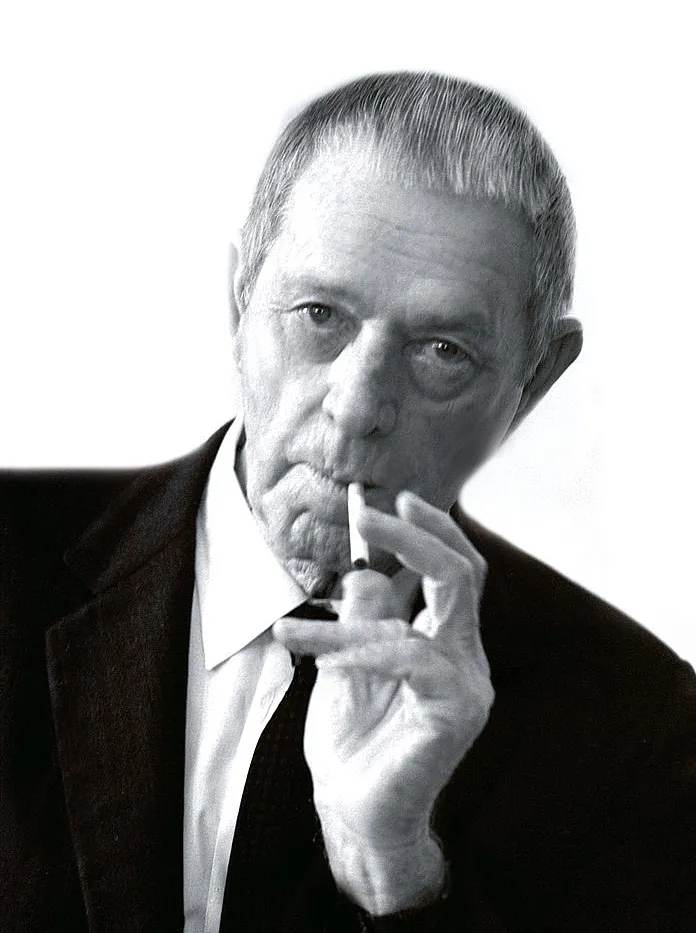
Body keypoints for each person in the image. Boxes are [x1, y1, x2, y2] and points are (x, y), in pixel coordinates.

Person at [0, 72, 694, 933]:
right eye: (319, 314)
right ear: (240, 296)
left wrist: (394, 869)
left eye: (443, 350)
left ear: (535, 379)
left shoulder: (638, 724)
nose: (358, 405)